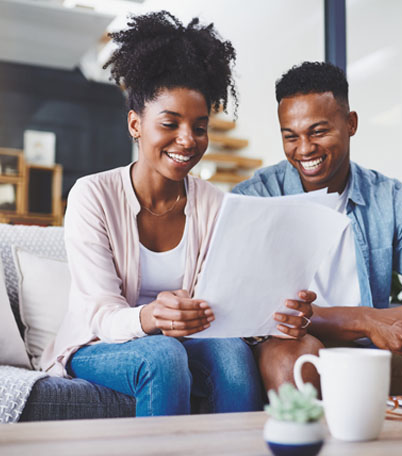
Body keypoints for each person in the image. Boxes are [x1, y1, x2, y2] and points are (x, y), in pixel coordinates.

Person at [40, 11, 266, 417]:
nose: (188, 140)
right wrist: (149, 316)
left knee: (232, 354)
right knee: (161, 355)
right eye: (170, 123)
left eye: (199, 126)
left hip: (184, 339)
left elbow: (219, 300)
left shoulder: (213, 202)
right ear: (135, 124)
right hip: (97, 342)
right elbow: (100, 313)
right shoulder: (93, 196)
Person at [233, 61, 402, 389]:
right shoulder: (256, 198)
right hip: (295, 340)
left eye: (318, 131)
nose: (305, 149)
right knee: (292, 362)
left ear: (350, 123)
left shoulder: (389, 199)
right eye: (291, 137)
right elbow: (260, 310)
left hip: (369, 346)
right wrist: (365, 319)